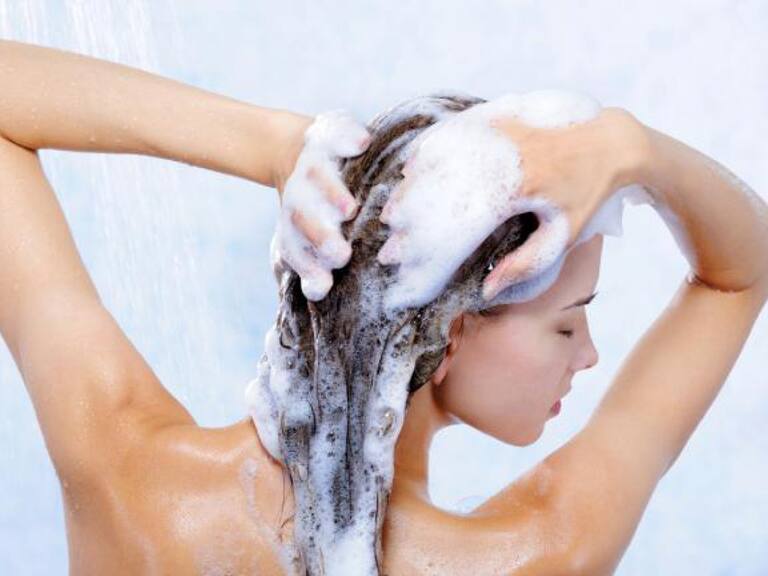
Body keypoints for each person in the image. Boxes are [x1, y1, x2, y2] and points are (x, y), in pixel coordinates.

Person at [0, 39, 766, 576]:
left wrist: (278, 145)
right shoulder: (538, 552)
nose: (588, 353)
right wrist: (631, 148)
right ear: (446, 333)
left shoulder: (126, 473)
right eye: (567, 321)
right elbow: (742, 272)